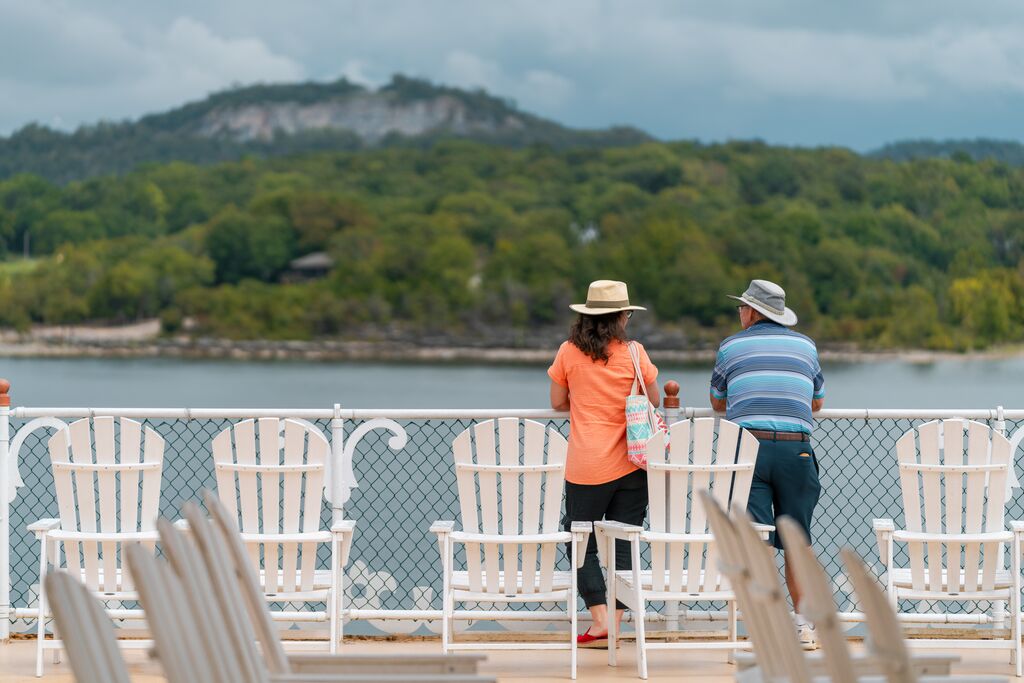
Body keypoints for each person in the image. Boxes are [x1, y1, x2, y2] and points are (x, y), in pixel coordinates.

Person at [709, 279, 824, 647]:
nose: (739, 313)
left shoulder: (730, 347)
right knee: (796, 540)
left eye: (742, 307)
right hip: (796, 450)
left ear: (754, 312)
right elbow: (817, 402)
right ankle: (804, 625)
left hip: (749, 450)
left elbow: (716, 401)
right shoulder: (806, 346)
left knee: (756, 540)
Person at [548, 280, 660, 647]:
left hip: (587, 466)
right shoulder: (634, 352)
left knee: (580, 542)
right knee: (624, 543)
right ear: (620, 318)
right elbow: (654, 398)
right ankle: (614, 618)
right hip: (632, 463)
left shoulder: (568, 352)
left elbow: (557, 401)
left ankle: (598, 617)